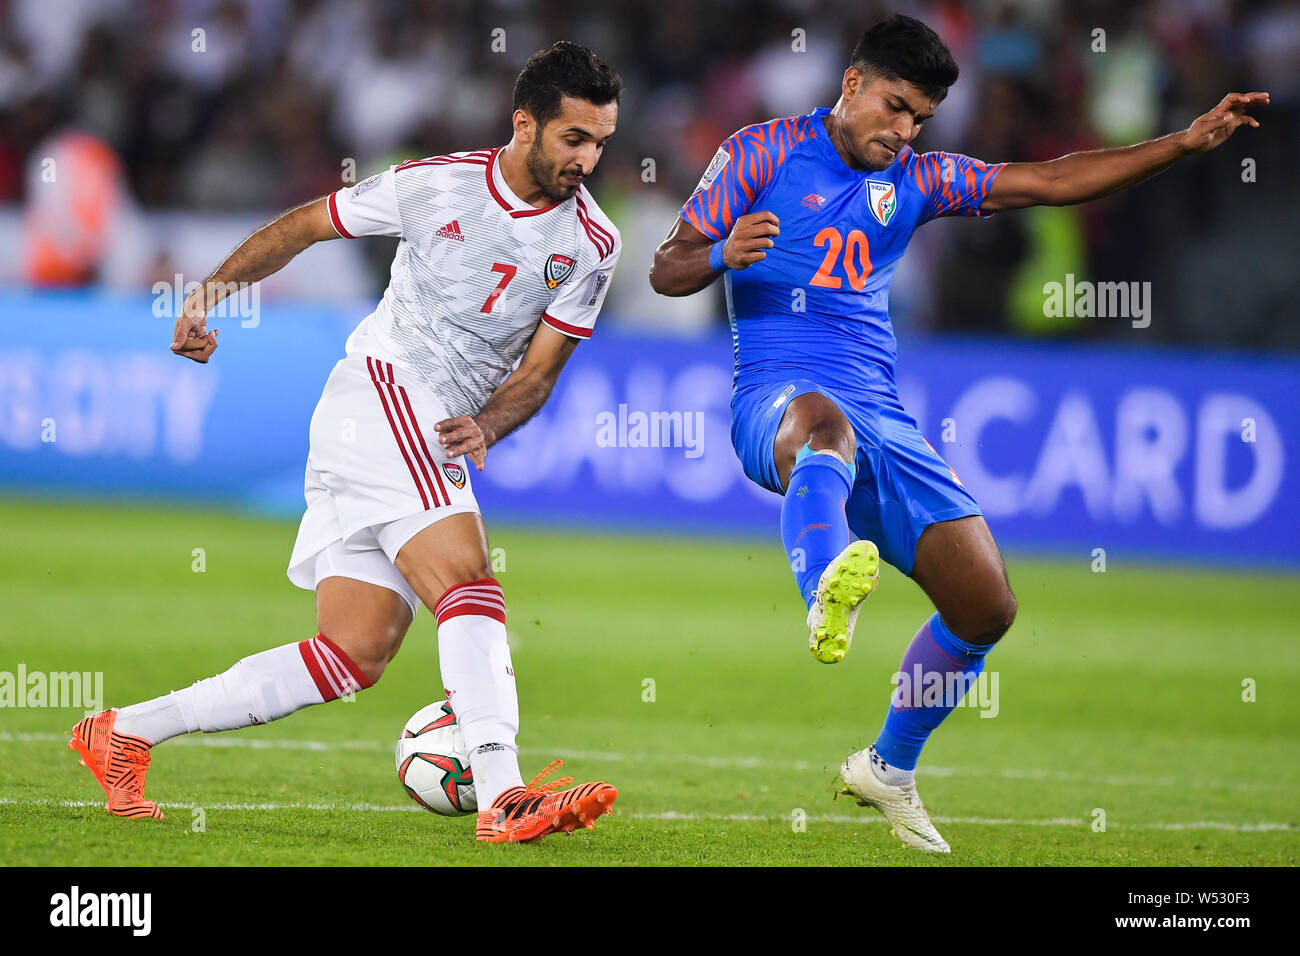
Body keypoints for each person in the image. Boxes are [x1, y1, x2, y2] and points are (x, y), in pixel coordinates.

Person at [649, 14, 1266, 852]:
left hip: (884, 417)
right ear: (853, 84)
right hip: (777, 397)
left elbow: (1050, 181)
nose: (904, 133)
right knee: (823, 428)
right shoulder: (759, 153)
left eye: (921, 120)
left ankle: (888, 767)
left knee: (985, 608)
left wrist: (1181, 144)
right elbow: (667, 266)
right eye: (896, 108)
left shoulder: (921, 179)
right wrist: (724, 251)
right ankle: (824, 585)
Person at [70, 41, 625, 844]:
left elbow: (540, 374)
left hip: (418, 426)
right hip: (384, 390)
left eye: (602, 143)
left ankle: (124, 732)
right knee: (469, 581)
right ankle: (504, 794)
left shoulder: (594, 244)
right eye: (575, 139)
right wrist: (207, 296)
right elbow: (306, 225)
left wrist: (493, 423)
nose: (590, 159)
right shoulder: (433, 185)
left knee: (354, 653)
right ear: (525, 124)